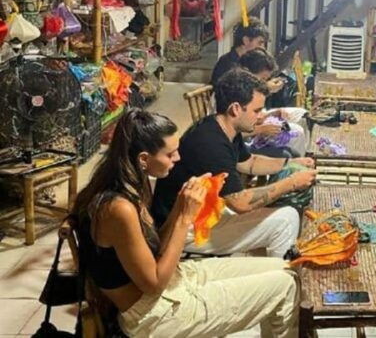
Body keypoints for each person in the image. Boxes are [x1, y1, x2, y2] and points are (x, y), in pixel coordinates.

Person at [72, 109, 298, 338]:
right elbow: (154, 284)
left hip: (171, 282)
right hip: (151, 315)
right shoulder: (118, 208)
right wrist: (184, 218)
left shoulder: (133, 181)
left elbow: (156, 248)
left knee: (287, 269)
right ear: (143, 159)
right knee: (285, 286)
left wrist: (180, 205)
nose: (178, 158)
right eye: (170, 154)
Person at [151, 69, 316, 257]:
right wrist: (292, 182)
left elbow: (250, 163)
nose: (261, 116)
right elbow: (241, 203)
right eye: (256, 110)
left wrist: (290, 163)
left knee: (280, 211)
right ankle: (280, 272)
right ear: (236, 108)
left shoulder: (223, 127)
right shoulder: (210, 143)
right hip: (184, 228)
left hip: (205, 211)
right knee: (286, 219)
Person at [239, 48, 308, 157]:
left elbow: (256, 117)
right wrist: (261, 129)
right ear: (248, 73)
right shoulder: (236, 93)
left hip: (253, 134)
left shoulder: (249, 89)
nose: (263, 83)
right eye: (262, 79)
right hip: (243, 145)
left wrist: (272, 114)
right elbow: (230, 133)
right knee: (296, 136)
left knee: (300, 122)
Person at [210, 18, 269, 85]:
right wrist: (266, 87)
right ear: (246, 40)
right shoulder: (227, 63)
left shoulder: (249, 61)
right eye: (260, 43)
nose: (263, 48)